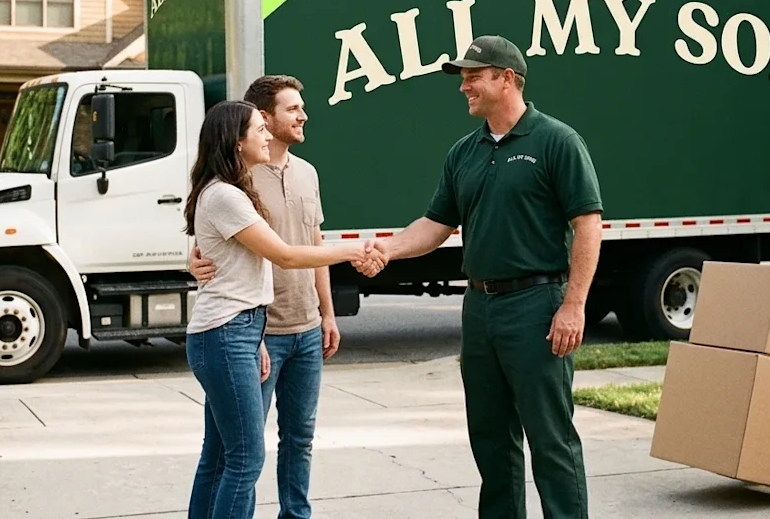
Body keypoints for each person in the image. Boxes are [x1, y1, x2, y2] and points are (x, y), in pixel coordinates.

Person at [361, 35, 603, 519]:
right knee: (491, 441)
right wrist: (386, 248)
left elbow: (588, 225)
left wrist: (572, 305)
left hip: (537, 306)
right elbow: (435, 225)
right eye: (463, 78)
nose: (463, 86)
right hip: (481, 308)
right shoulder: (464, 152)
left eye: (473, 76)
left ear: (506, 78)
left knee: (550, 439)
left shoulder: (556, 140)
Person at [182, 99, 371, 519]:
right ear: (237, 141)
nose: (266, 135)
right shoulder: (226, 195)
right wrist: (353, 250)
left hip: (239, 329)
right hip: (227, 332)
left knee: (220, 457)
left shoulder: (228, 190)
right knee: (246, 458)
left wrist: (260, 334)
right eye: (258, 129)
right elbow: (284, 256)